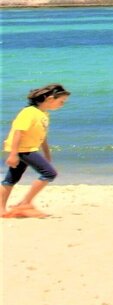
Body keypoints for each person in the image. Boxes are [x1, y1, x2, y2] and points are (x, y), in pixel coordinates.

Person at [2, 83, 71, 219]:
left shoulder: (43, 114)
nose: (62, 105)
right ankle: (25, 203)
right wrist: (13, 154)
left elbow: (42, 136)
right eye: (61, 102)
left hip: (28, 149)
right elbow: (18, 132)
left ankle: (2, 209)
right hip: (22, 150)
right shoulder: (29, 112)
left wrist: (47, 154)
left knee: (11, 179)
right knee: (49, 173)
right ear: (50, 99)